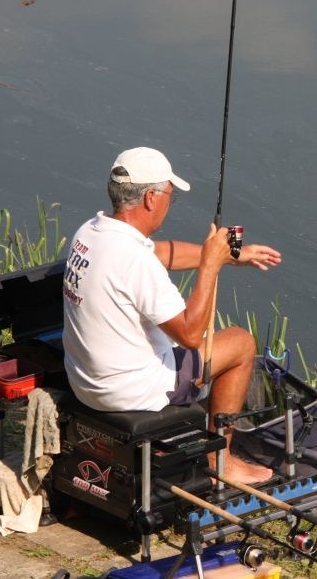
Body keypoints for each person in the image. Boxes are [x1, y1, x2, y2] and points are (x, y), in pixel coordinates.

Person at [62, 147, 281, 484]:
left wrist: (231, 257)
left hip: (86, 382)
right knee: (240, 342)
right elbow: (190, 335)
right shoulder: (134, 260)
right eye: (169, 196)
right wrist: (210, 264)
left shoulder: (91, 232)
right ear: (151, 197)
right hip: (132, 390)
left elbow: (161, 253)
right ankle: (220, 462)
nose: (168, 203)